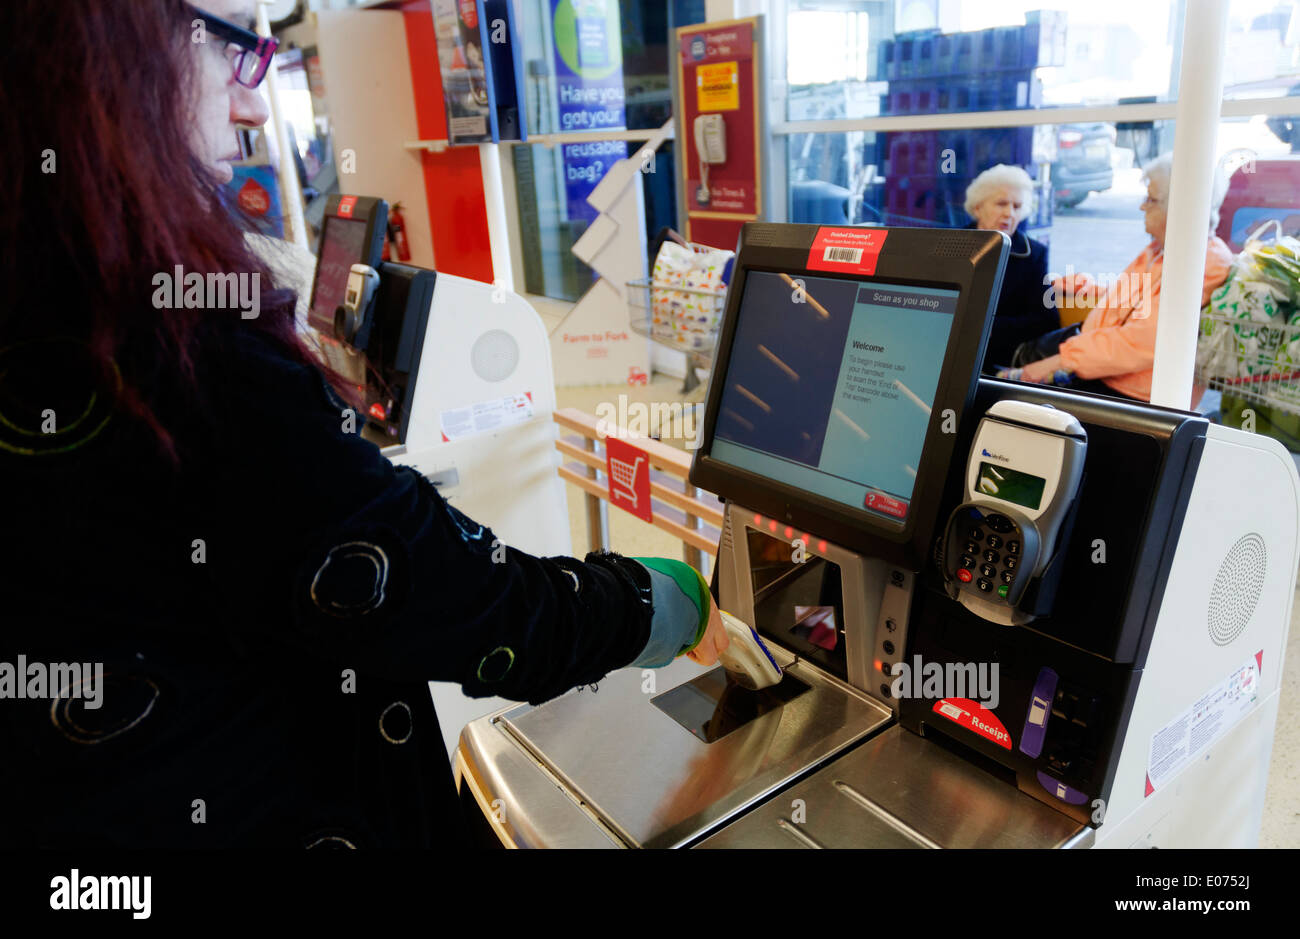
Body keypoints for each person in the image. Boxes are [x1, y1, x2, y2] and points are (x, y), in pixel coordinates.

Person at [0, 0, 727, 848]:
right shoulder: (176, 346)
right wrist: (652, 605)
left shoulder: (48, 301)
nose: (250, 102)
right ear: (113, 48)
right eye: (237, 43)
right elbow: (461, 601)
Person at [1003, 154, 1233, 402]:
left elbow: (1142, 340)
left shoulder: (1201, 263)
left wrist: (1061, 361)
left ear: (1178, 208)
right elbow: (1134, 302)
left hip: (1130, 391)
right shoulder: (1159, 250)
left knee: (1013, 395)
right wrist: (1087, 288)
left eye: (1151, 199)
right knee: (1006, 368)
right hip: (1098, 360)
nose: (1142, 206)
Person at [962, 164, 1059, 373]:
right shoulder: (950, 243)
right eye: (1001, 203)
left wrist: (984, 327)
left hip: (998, 358)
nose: (1009, 213)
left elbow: (1047, 320)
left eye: (1017, 206)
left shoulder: (1034, 254)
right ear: (978, 207)